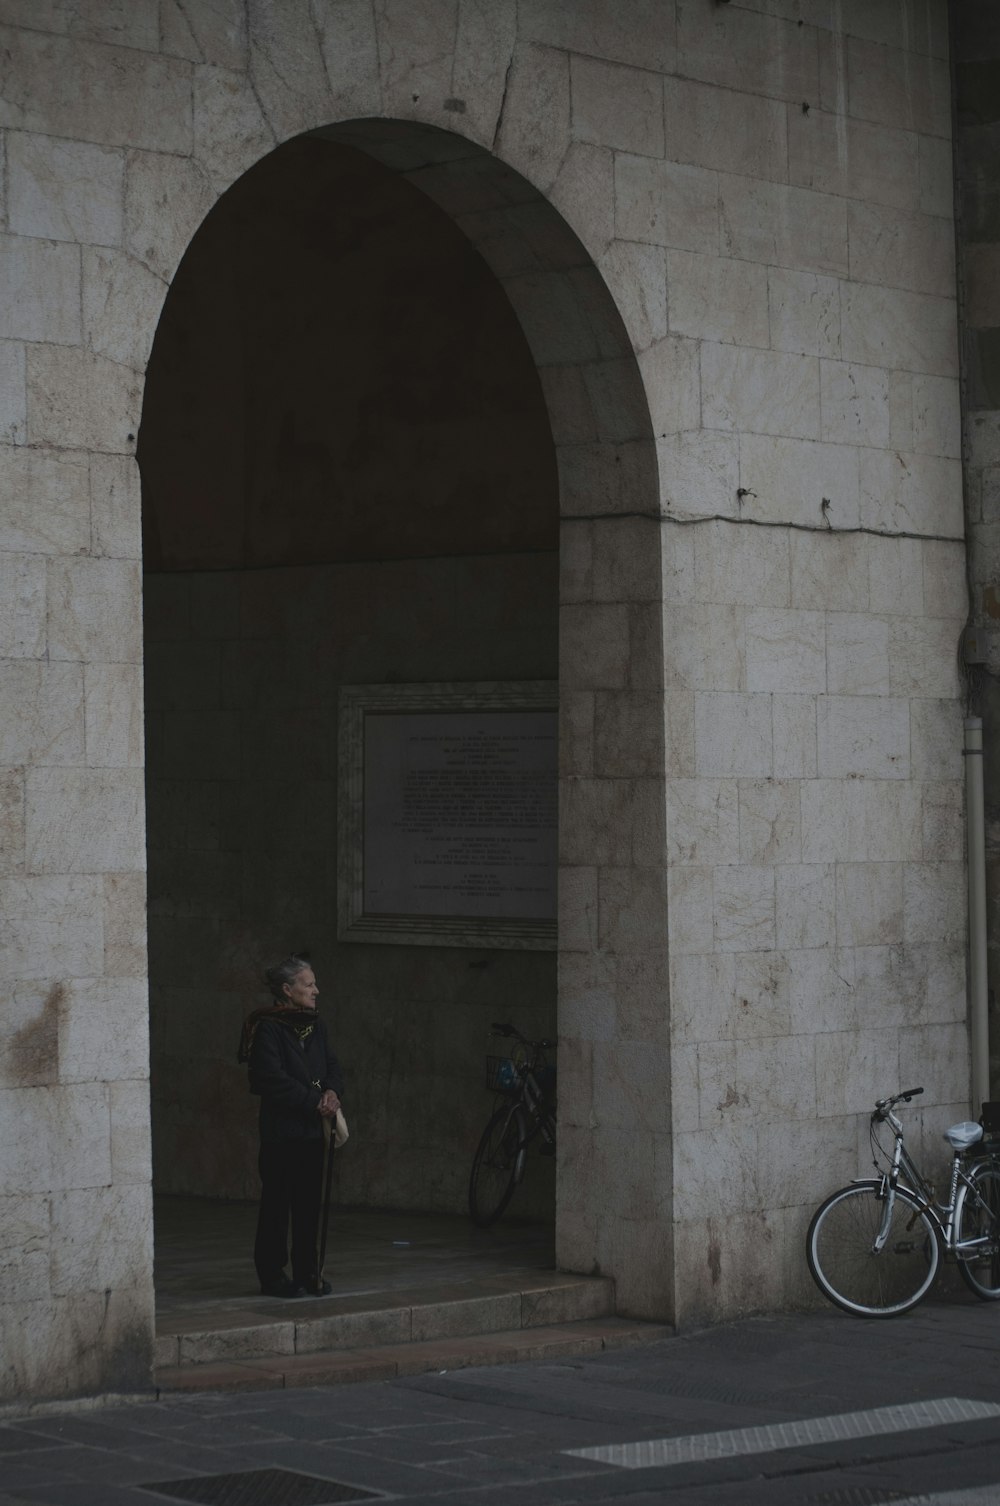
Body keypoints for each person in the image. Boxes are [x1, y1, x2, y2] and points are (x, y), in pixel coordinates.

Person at [237, 955, 344, 1298]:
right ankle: (272, 1274)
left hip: (312, 1133)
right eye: (308, 984)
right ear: (287, 990)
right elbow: (270, 1079)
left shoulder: (316, 1025)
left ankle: (307, 1272)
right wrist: (312, 1101)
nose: (316, 990)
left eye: (314, 983)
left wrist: (331, 1092)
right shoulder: (267, 1027)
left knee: (308, 1206)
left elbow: (332, 1067)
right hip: (282, 1133)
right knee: (277, 1205)